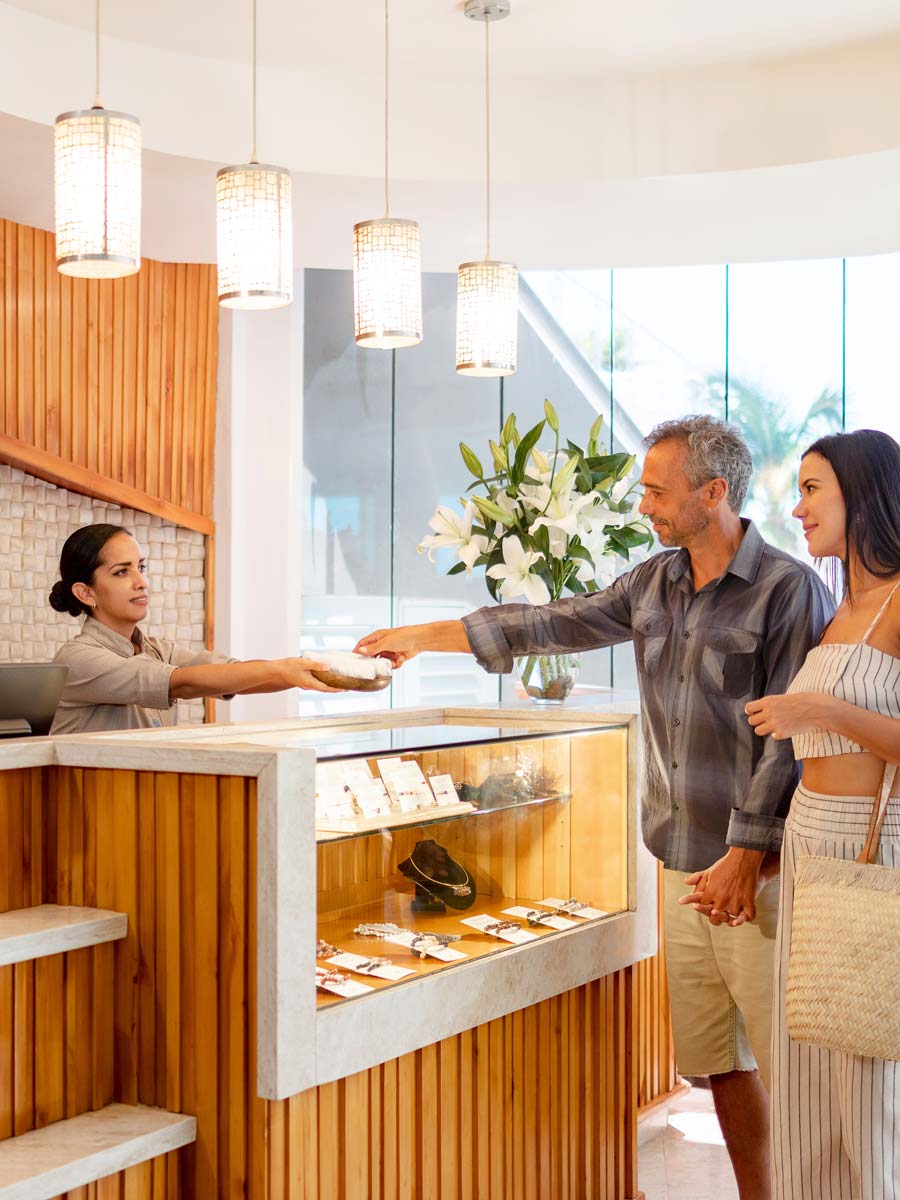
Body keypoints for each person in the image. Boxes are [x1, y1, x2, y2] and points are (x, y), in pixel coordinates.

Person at [356, 414, 835, 1200]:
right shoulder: (652, 581)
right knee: (718, 1063)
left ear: (712, 493)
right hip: (682, 868)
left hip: (760, 875)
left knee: (795, 1070)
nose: (643, 505)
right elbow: (551, 621)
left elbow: (788, 741)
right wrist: (424, 635)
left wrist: (746, 857)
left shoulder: (789, 591)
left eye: (656, 490)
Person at [744, 429, 900, 1200]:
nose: (796, 507)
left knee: (869, 1073)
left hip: (873, 847)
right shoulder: (842, 606)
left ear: (863, 491)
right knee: (806, 1073)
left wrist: (819, 706)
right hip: (809, 840)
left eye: (812, 489)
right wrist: (763, 852)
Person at [48, 523, 339, 734]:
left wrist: (318, 671)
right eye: (122, 571)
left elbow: (232, 675)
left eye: (141, 567)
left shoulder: (157, 649)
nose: (142, 582)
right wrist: (282, 669)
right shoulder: (76, 660)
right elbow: (182, 683)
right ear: (86, 593)